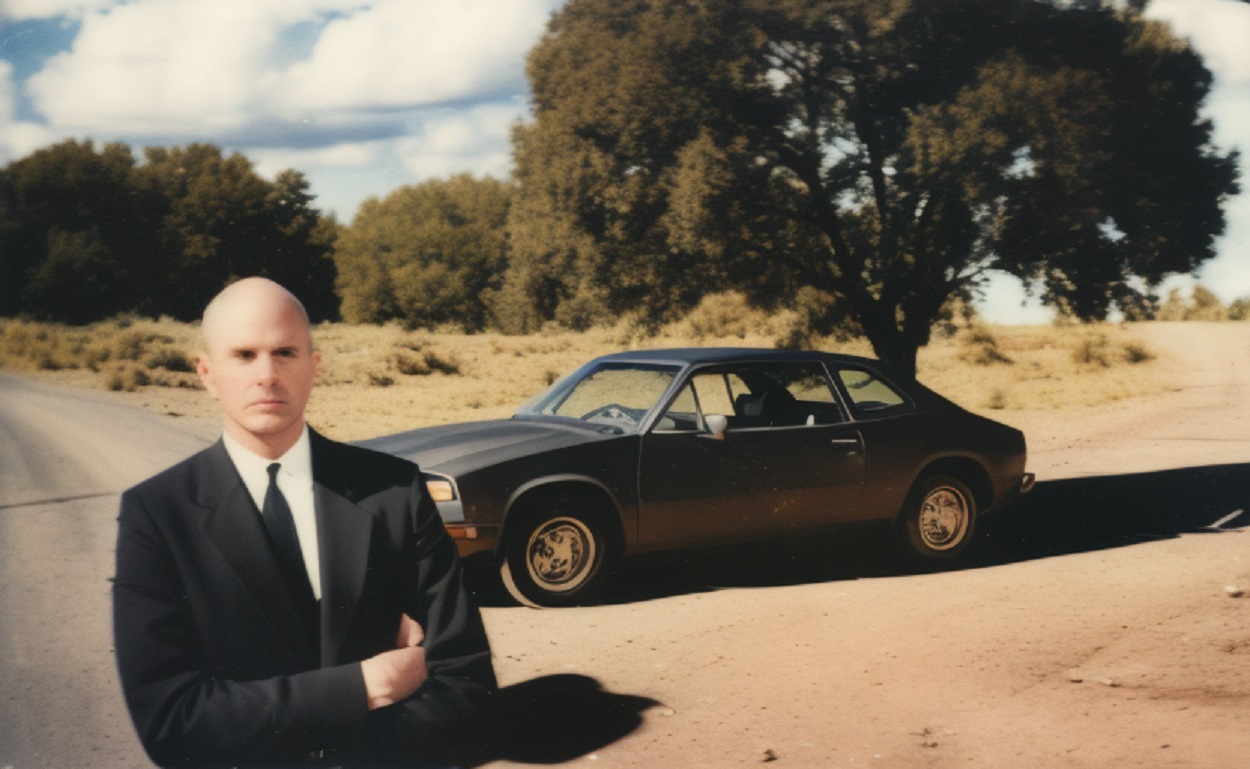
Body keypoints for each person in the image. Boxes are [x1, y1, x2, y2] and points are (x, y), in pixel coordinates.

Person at [113, 277, 495, 767]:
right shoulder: (158, 513)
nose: (267, 374)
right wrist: (366, 684)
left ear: (313, 367)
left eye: (286, 353)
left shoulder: (394, 491)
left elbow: (467, 679)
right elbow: (170, 721)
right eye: (244, 355)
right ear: (206, 373)